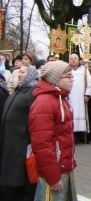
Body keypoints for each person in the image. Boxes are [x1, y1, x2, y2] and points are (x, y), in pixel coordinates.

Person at [29, 61, 78, 201]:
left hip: (62, 167)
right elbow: (42, 144)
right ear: (55, 79)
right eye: (68, 77)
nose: (72, 80)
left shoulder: (61, 98)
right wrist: (53, 176)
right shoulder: (44, 103)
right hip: (54, 172)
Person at [0, 64, 39, 201]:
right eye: (19, 72)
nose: (20, 74)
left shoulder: (32, 92)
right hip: (10, 141)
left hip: (21, 143)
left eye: (23, 72)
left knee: (18, 179)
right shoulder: (19, 90)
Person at [69, 54, 91, 141]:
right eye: (71, 59)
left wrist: (87, 94)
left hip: (81, 97)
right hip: (70, 96)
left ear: (79, 60)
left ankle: (83, 136)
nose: (73, 60)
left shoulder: (84, 70)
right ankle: (72, 136)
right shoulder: (67, 70)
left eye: (75, 58)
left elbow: (89, 83)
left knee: (82, 113)